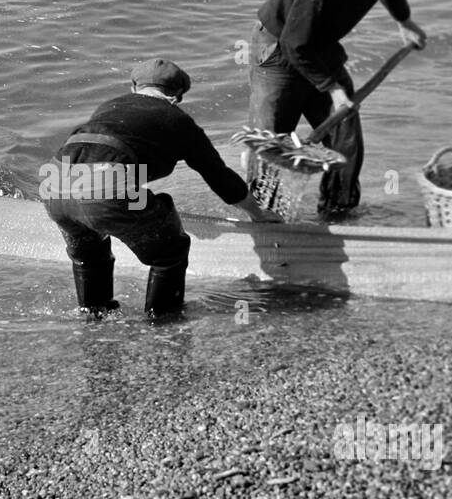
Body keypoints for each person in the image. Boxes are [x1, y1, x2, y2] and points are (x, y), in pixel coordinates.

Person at [42, 57, 280, 317]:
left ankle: (93, 315)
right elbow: (218, 176)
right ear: (177, 95)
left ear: (134, 87)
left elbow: (113, 154)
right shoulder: (178, 121)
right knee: (171, 249)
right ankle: (163, 319)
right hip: (103, 191)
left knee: (91, 254)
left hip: (54, 183)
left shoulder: (109, 106)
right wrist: (258, 214)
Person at [249, 0, 428, 214]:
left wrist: (404, 22)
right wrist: (333, 90)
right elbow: (295, 45)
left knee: (346, 134)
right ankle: (263, 215)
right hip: (279, 51)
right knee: (272, 143)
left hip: (321, 47)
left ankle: (338, 210)